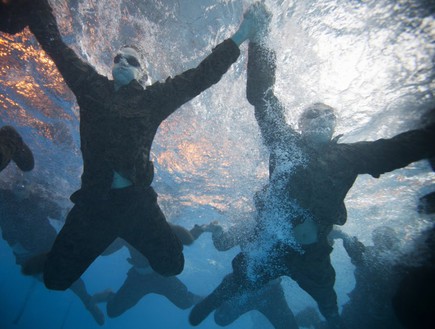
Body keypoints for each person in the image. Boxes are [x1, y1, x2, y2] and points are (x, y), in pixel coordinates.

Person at [189, 4, 435, 329]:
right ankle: (217, 298)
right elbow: (262, 96)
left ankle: (332, 317)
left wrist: (428, 136)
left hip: (314, 253)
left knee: (326, 295)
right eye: (311, 115)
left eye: (327, 116)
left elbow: (392, 151)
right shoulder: (284, 140)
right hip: (272, 243)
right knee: (243, 275)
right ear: (301, 124)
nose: (319, 120)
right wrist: (261, 39)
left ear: (335, 125)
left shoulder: (349, 156)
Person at [2, 0, 263, 291]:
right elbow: (58, 49)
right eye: (118, 58)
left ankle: (133, 236)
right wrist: (35, 8)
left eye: (132, 61)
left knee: (171, 266)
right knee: (55, 281)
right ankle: (98, 241)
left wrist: (242, 34)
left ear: (143, 74)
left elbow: (200, 77)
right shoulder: (91, 86)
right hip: (93, 205)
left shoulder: (154, 99)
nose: (123, 62)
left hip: (135, 204)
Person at [0, 183, 106, 325]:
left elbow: (61, 213)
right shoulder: (5, 201)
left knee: (68, 276)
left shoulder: (36, 199)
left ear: (30, 189)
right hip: (27, 251)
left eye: (25, 185)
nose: (21, 188)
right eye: (17, 185)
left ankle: (88, 301)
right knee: (46, 277)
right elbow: (9, 234)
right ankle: (86, 300)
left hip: (48, 244)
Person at [195, 218, 299, 329]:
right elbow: (223, 244)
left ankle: (257, 317)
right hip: (243, 287)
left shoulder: (284, 223)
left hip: (270, 292)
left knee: (289, 326)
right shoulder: (248, 224)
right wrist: (217, 231)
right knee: (221, 319)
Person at [91, 224, 203, 318]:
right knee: (112, 311)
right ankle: (109, 295)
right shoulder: (128, 230)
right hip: (139, 278)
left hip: (161, 276)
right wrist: (117, 235)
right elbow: (105, 252)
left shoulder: (160, 226)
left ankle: (207, 300)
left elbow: (185, 238)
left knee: (185, 303)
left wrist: (201, 229)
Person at [330, 227, 405, 329]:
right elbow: (356, 254)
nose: (381, 242)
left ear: (395, 240)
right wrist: (343, 236)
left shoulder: (404, 258)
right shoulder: (369, 253)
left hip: (391, 310)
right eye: (377, 238)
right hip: (364, 307)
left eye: (386, 238)